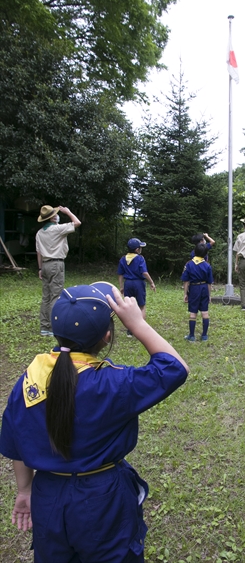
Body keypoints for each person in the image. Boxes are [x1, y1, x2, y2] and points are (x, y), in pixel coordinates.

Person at [0, 282, 189, 563]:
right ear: (106, 336)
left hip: (47, 494)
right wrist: (138, 325)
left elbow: (16, 444)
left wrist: (25, 490)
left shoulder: (29, 379)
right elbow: (175, 368)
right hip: (102, 497)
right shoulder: (113, 383)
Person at [36, 205, 81, 337]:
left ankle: (44, 326)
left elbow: (38, 252)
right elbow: (77, 223)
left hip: (45, 264)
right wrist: (68, 211)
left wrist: (40, 268)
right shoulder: (57, 229)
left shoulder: (39, 233)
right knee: (55, 296)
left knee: (46, 297)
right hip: (56, 264)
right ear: (53, 217)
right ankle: (52, 326)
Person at [117, 238, 156, 331]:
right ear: (137, 250)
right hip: (138, 283)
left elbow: (120, 275)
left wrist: (121, 286)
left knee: (129, 306)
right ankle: (141, 330)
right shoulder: (140, 258)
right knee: (141, 306)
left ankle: (130, 331)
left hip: (128, 283)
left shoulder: (123, 259)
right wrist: (152, 282)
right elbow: (144, 273)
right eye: (140, 247)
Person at [181, 243, 214, 341]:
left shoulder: (189, 264)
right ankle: (204, 336)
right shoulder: (207, 265)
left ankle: (191, 336)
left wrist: (185, 294)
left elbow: (186, 281)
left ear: (194, 252)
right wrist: (209, 295)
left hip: (194, 288)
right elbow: (209, 282)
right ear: (206, 254)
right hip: (204, 288)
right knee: (205, 312)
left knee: (193, 312)